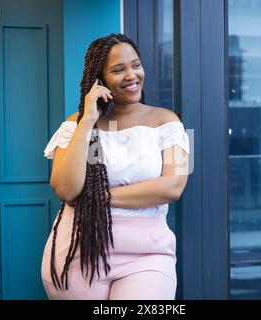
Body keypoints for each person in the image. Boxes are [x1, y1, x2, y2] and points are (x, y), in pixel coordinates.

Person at [40, 33, 190, 300]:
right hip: (79, 251)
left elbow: (173, 186)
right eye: (118, 70)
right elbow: (65, 189)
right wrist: (87, 121)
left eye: (136, 65)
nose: (132, 75)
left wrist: (96, 197)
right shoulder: (77, 123)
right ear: (100, 80)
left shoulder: (167, 121)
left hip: (148, 254)